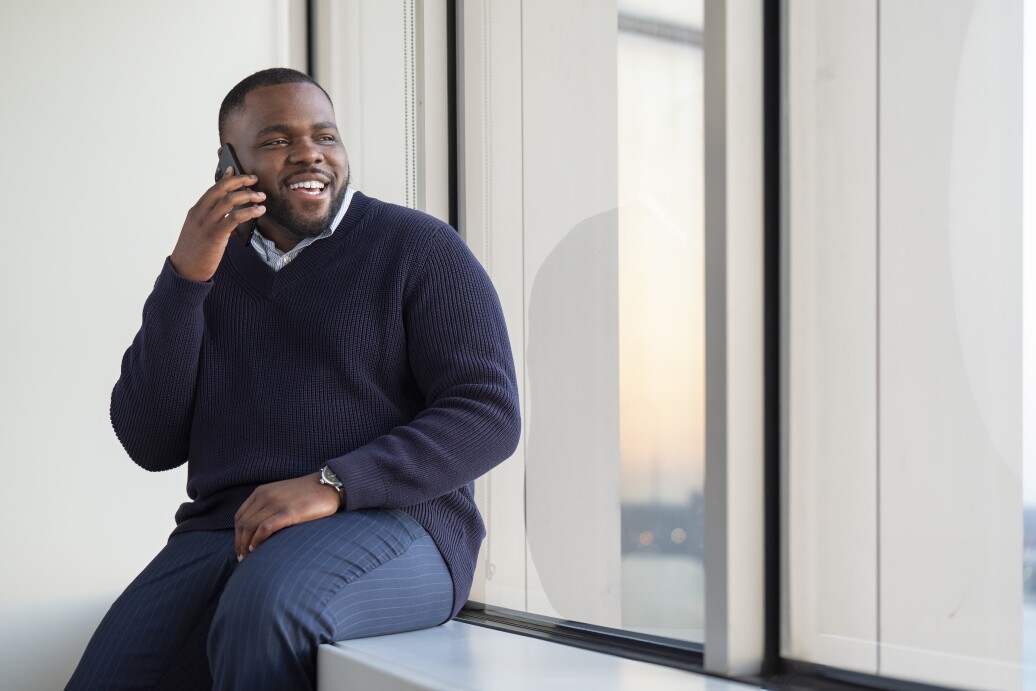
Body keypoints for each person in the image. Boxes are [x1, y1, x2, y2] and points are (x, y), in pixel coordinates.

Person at [66, 67, 521, 691]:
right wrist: (186, 278)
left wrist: (333, 482)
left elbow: (487, 413)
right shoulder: (206, 271)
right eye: (279, 140)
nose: (310, 152)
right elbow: (150, 441)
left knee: (267, 610)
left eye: (325, 136)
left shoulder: (418, 247)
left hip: (396, 522)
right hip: (225, 530)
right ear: (230, 161)